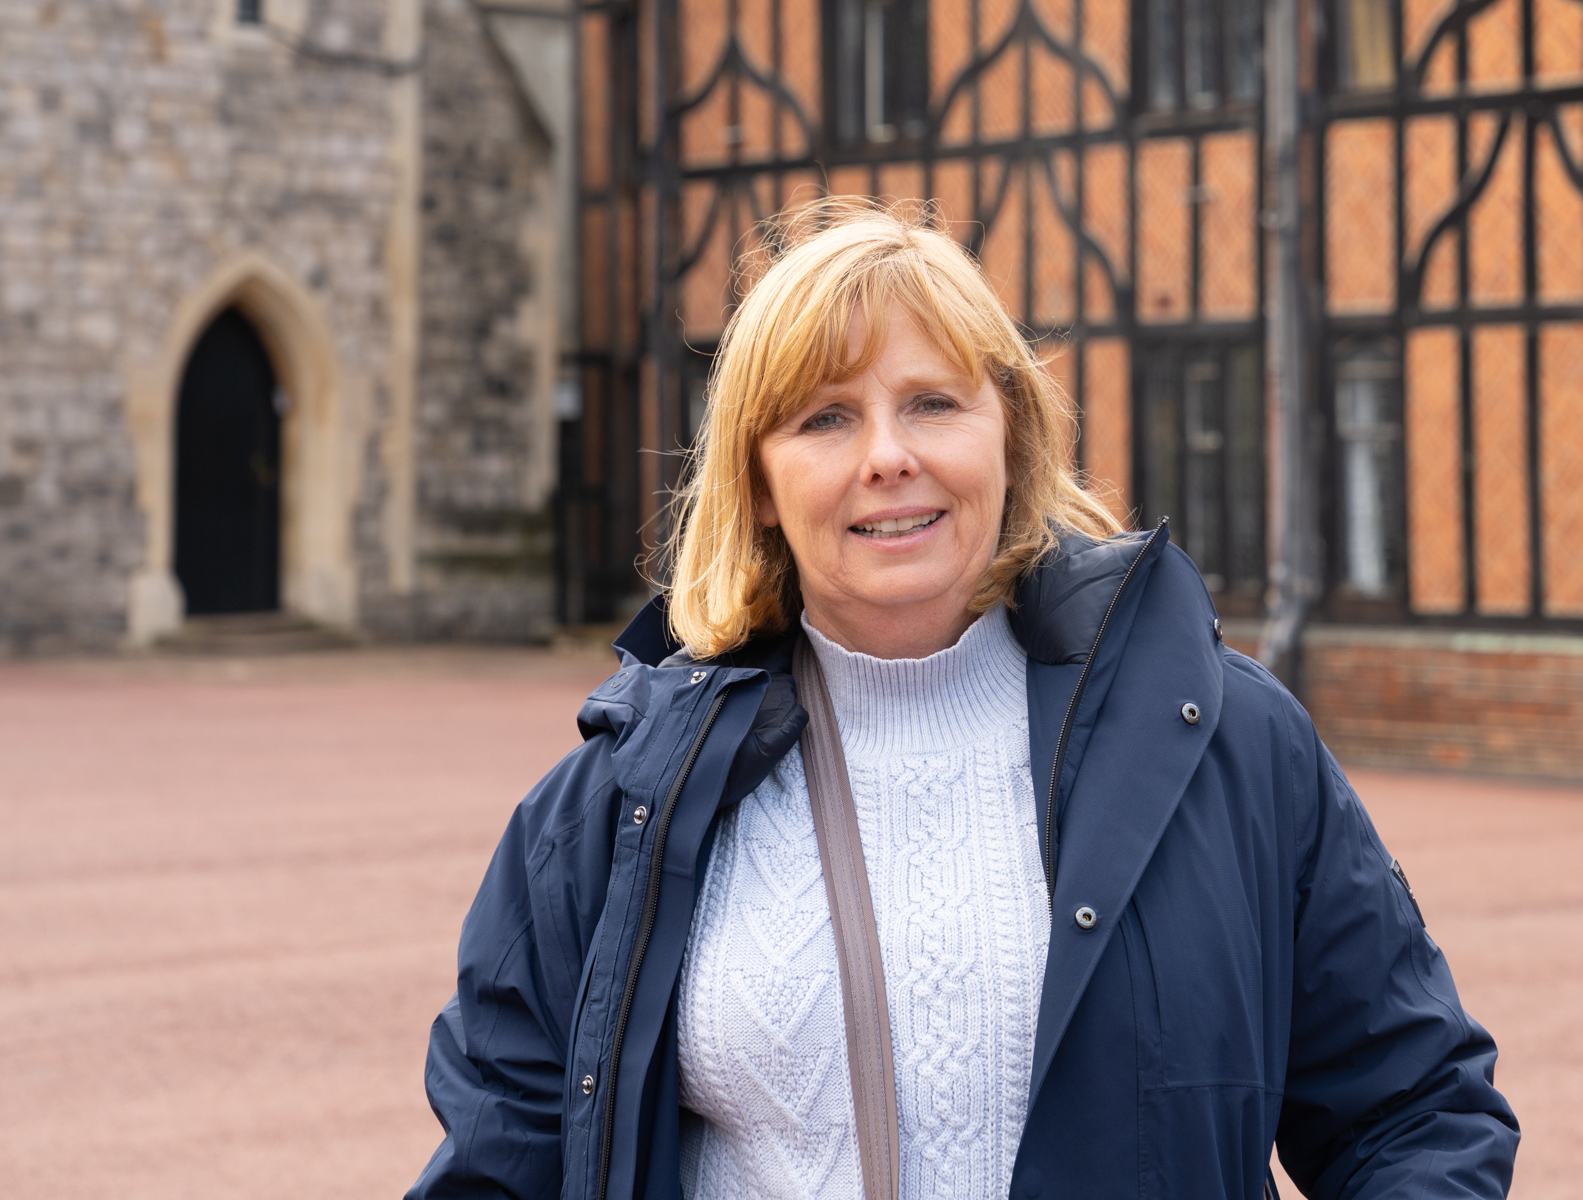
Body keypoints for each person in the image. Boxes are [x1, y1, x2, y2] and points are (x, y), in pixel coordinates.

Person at [407, 199, 1518, 1200]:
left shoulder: (1224, 741)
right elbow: (500, 1166)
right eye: (824, 419)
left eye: (933, 402)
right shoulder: (620, 799)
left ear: (1012, 433)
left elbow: (1412, 1111)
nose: (888, 457)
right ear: (757, 480)